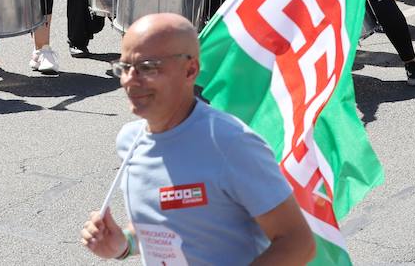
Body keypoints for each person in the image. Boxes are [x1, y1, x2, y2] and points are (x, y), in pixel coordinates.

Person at [79, 13, 316, 263]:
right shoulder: (129, 141)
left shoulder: (232, 144)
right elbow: (167, 227)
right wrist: (123, 244)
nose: (130, 80)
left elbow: (297, 243)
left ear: (190, 69)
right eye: (125, 68)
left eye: (147, 68)